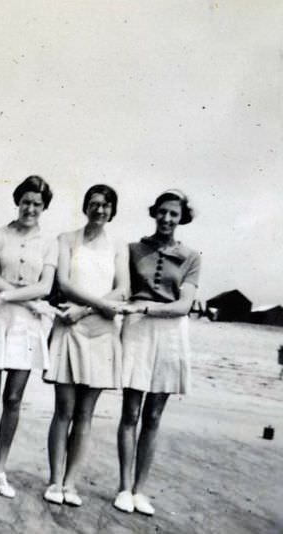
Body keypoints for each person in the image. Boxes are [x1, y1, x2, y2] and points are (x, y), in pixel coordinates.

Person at [0, 175, 59, 498]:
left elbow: (45, 287)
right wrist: (26, 297)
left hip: (26, 326)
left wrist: (13, 296)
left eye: (37, 204)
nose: (30, 208)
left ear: (44, 207)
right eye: (26, 201)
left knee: (14, 399)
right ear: (17, 201)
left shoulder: (50, 243)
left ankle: (0, 470)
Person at [113, 189, 201, 516]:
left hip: (170, 333)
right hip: (136, 329)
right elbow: (122, 290)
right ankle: (123, 488)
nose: (166, 219)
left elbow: (183, 305)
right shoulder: (134, 250)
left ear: (181, 219)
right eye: (162, 212)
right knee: (131, 413)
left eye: (173, 214)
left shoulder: (192, 257)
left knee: (153, 416)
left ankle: (140, 490)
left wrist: (147, 307)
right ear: (154, 212)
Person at [43, 184, 128, 506]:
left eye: (105, 205)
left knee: (86, 414)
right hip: (68, 328)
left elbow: (122, 290)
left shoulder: (119, 245)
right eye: (93, 204)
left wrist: (86, 309)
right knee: (63, 410)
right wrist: (87, 308)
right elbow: (63, 283)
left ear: (112, 210)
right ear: (85, 206)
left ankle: (71, 484)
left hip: (101, 331)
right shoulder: (66, 239)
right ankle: (54, 481)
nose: (99, 210)